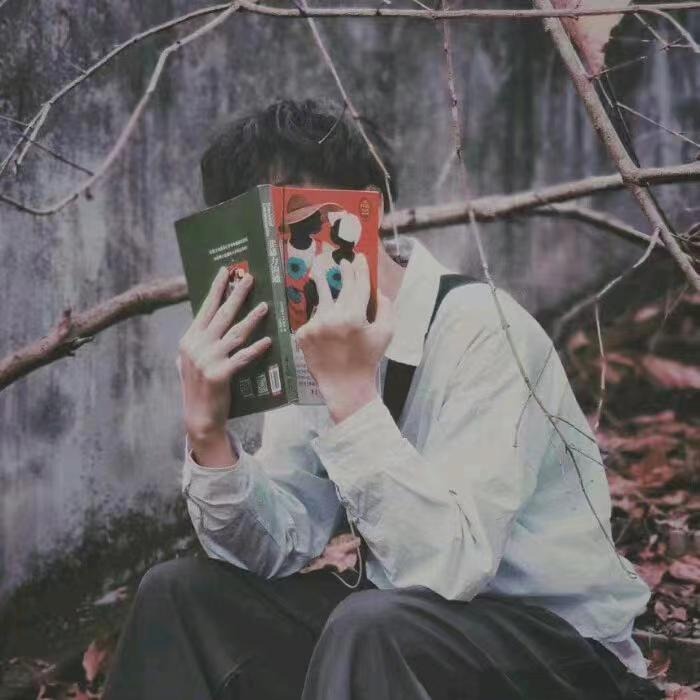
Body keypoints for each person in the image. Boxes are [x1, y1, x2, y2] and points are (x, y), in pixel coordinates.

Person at [102, 99, 661, 700]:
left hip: (565, 657)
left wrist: (351, 397)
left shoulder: (482, 327)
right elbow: (281, 542)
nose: (279, 253)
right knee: (179, 592)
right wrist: (209, 437)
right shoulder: (314, 337)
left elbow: (450, 569)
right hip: (407, 642)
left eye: (291, 216)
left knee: (372, 624)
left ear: (365, 211)